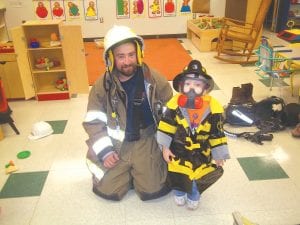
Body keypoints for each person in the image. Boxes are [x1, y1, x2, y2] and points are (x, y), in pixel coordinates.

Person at [82, 25, 173, 201]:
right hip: (116, 144)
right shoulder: (102, 86)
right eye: (121, 56)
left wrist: (167, 143)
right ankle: (129, 173)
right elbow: (93, 122)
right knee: (108, 191)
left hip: (146, 140)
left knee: (153, 190)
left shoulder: (155, 79)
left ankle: (138, 172)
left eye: (131, 55)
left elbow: (172, 113)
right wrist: (105, 152)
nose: (127, 61)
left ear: (138, 54)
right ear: (111, 58)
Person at [157, 60, 230, 210]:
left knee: (198, 177)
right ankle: (179, 193)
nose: (192, 88)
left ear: (205, 89)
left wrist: (218, 154)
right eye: (188, 84)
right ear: (181, 87)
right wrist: (165, 147)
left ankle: (194, 195)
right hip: (179, 150)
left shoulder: (213, 109)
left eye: (197, 85)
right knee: (178, 174)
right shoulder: (174, 105)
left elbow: (217, 133)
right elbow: (166, 126)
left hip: (201, 153)